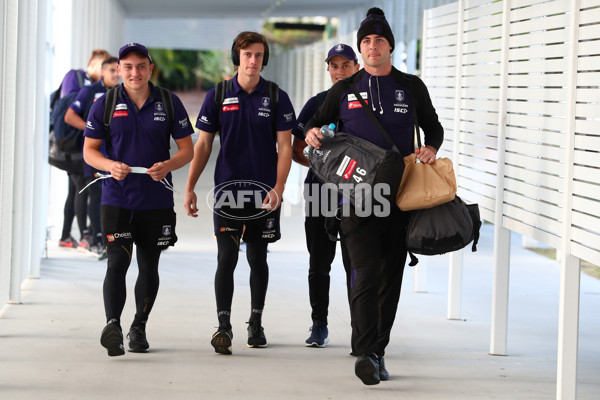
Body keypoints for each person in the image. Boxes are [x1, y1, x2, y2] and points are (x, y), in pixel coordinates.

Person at [304, 8, 444, 385]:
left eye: (378, 40)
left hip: (400, 199)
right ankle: (365, 352)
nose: (372, 46)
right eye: (366, 40)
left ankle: (378, 350)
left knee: (390, 279)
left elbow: (434, 128)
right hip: (357, 200)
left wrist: (430, 147)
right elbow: (315, 124)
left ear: (390, 47)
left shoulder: (412, 86)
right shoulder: (344, 89)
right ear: (361, 48)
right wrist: (313, 134)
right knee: (364, 274)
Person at [184, 31, 295, 355]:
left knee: (258, 258)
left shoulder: (275, 96)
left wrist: (279, 186)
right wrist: (190, 186)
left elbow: (285, 146)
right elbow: (202, 144)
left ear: (264, 59)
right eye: (247, 55)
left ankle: (256, 323)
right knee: (227, 257)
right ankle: (223, 325)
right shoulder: (218, 94)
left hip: (263, 194)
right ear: (237, 57)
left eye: (259, 55)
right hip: (227, 193)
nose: (253, 61)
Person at [83, 43, 194, 356]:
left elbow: (187, 149)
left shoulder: (168, 102)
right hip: (116, 198)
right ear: (119, 69)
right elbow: (89, 150)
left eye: (141, 66)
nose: (134, 72)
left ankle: (139, 326)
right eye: (128, 67)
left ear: (150, 68)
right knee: (117, 262)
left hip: (156, 200)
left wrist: (168, 166)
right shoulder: (105, 103)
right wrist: (109, 165)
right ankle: (113, 326)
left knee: (148, 266)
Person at [291, 43, 359, 348]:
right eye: (335, 65)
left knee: (356, 263)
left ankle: (361, 327)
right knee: (319, 262)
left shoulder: (366, 105)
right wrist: (325, 165)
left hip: (360, 195)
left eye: (346, 65)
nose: (340, 71)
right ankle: (319, 323)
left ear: (357, 68)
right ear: (328, 69)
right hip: (320, 191)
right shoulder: (317, 104)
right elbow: (295, 149)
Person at [64, 56, 120, 258]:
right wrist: (93, 131)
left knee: (110, 197)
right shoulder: (89, 91)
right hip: (94, 154)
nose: (116, 74)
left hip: (116, 156)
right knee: (94, 196)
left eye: (117, 70)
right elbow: (69, 116)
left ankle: (109, 239)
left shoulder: (122, 94)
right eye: (111, 70)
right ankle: (97, 239)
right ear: (102, 72)